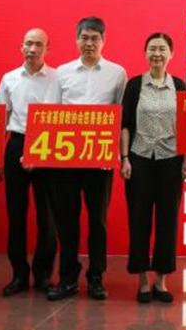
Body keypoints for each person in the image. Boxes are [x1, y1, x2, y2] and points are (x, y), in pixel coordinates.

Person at [47, 16, 127, 301]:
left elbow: (120, 116)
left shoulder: (117, 73)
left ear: (103, 41)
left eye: (95, 38)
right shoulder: (62, 72)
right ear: (76, 39)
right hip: (66, 158)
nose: (89, 43)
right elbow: (52, 114)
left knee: (98, 221)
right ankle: (68, 278)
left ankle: (96, 277)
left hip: (99, 158)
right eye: (85, 37)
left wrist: (117, 154)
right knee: (66, 221)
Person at [120, 32, 186, 303]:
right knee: (138, 219)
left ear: (171, 54)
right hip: (139, 158)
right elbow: (125, 123)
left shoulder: (180, 85)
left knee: (167, 220)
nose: (157, 54)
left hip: (171, 160)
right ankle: (142, 280)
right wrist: (124, 158)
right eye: (152, 49)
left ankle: (161, 280)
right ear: (145, 53)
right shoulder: (135, 85)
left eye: (162, 49)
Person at [0, 28, 59, 296]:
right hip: (17, 142)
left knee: (47, 215)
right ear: (21, 47)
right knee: (16, 213)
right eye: (29, 44)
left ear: (47, 49)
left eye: (39, 45)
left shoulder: (58, 78)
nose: (33, 49)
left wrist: (41, 152)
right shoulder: (9, 79)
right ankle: (19, 274)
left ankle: (43, 274)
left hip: (48, 146)